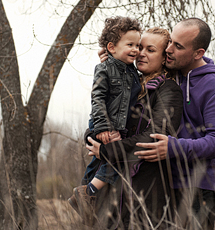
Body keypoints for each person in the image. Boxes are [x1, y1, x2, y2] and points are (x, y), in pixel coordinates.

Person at [89, 18, 215, 229]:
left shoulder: (214, 86)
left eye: (178, 46)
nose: (169, 50)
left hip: (197, 186)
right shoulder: (173, 76)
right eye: (170, 42)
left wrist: (174, 147)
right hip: (165, 183)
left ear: (198, 53)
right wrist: (114, 63)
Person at [77, 27, 184, 229]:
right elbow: (100, 116)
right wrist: (93, 136)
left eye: (150, 50)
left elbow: (155, 136)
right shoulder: (127, 85)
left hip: (146, 194)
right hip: (113, 194)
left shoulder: (168, 90)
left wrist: (107, 150)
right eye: (139, 47)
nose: (141, 53)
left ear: (164, 58)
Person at [68, 16, 142, 225]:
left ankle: (83, 194)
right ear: (111, 47)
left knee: (98, 162)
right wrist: (103, 127)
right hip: (105, 124)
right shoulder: (104, 68)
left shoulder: (132, 72)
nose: (136, 49)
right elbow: (97, 97)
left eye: (137, 45)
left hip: (117, 127)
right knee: (116, 160)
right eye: (130, 45)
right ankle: (89, 192)